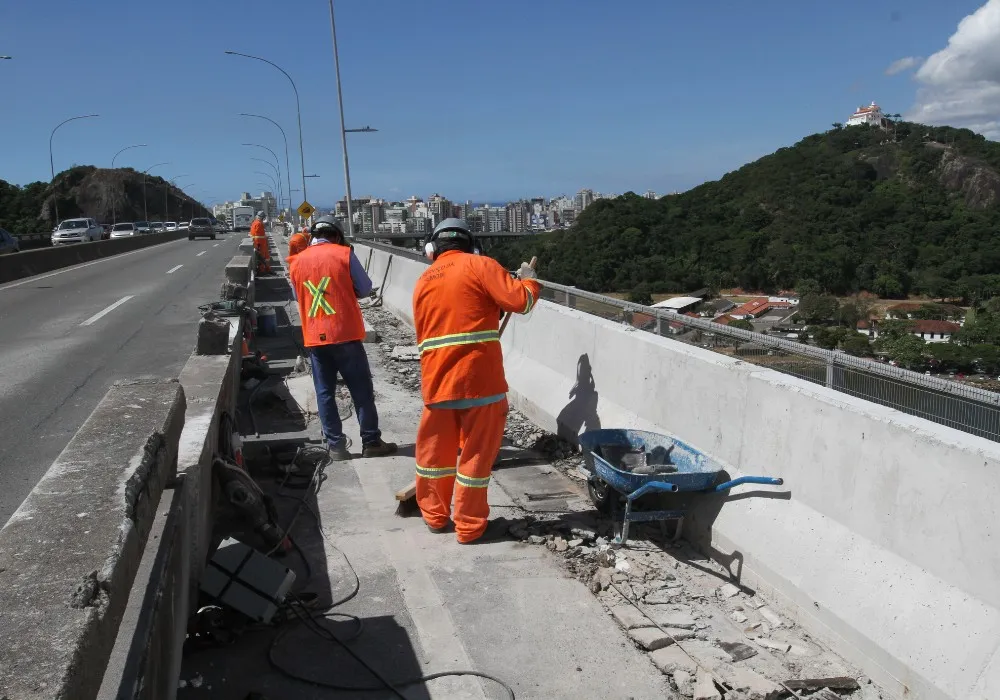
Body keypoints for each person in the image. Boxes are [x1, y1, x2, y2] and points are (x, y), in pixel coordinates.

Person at [412, 218, 540, 543]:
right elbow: (520, 303)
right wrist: (529, 281)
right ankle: (469, 527)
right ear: (471, 245)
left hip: (437, 384)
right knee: (475, 456)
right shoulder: (481, 265)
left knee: (434, 456)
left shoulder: (423, 281)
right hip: (480, 382)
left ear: (432, 249)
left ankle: (434, 515)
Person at [288, 216, 397, 460]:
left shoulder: (296, 261)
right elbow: (366, 288)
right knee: (361, 391)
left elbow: (297, 294)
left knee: (324, 392)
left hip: (315, 337)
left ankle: (335, 446)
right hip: (345, 334)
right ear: (337, 235)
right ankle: (371, 442)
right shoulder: (343, 254)